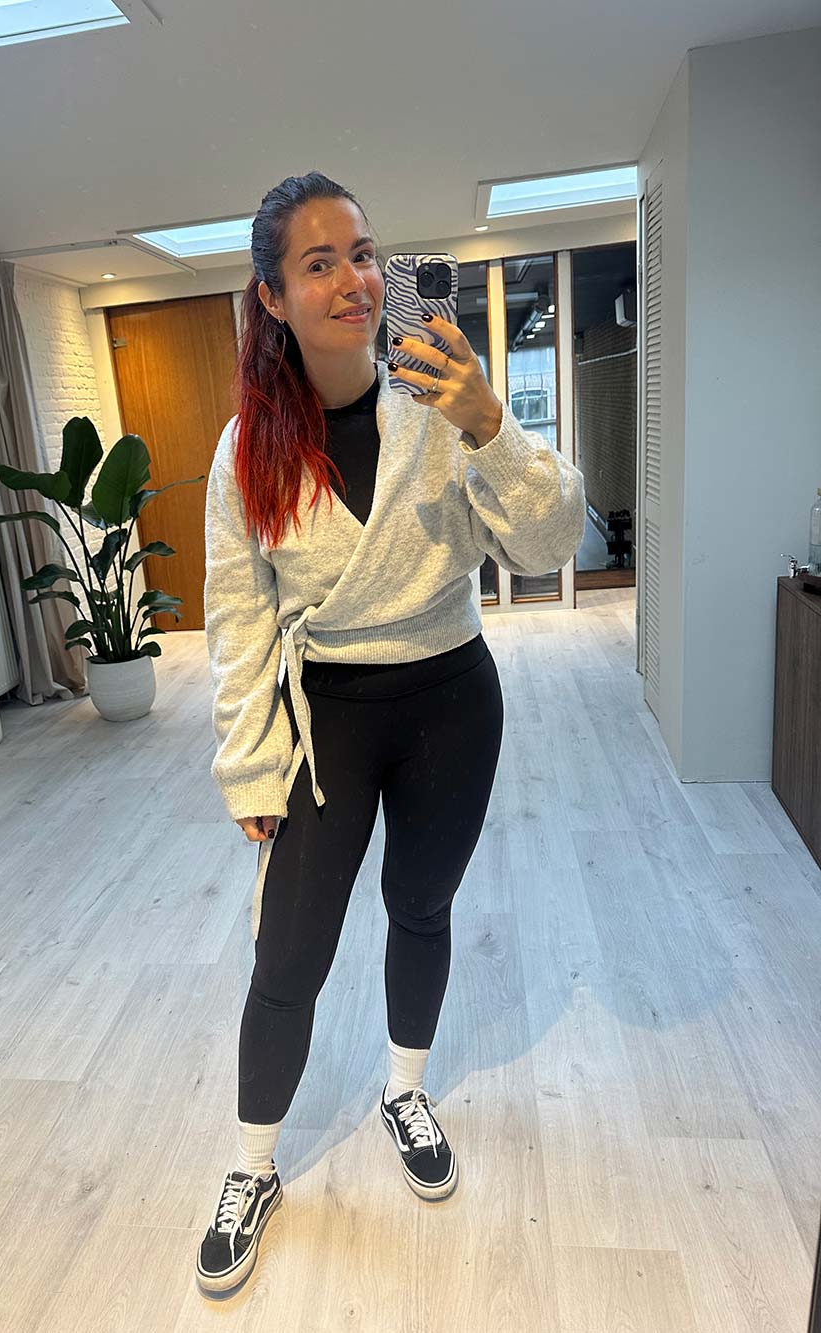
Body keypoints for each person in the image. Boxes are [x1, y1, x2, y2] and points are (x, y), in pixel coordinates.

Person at [196, 171, 586, 1297]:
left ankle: (403, 1089)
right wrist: (249, 767)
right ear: (272, 297)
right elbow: (238, 618)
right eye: (318, 263)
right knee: (289, 954)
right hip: (327, 716)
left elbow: (549, 544)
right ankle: (253, 1165)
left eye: (363, 254)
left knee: (421, 906)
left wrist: (490, 423)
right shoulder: (248, 448)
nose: (354, 280)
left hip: (451, 699)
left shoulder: (440, 405)